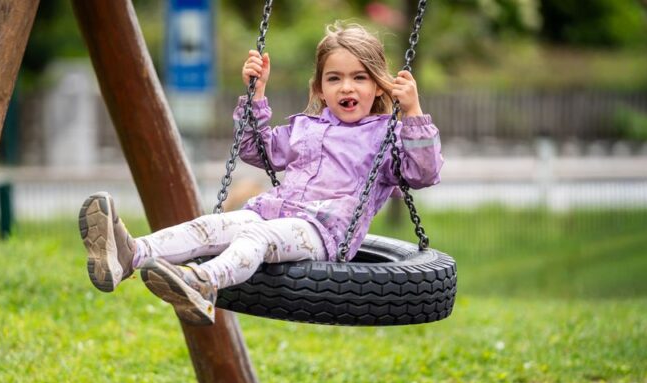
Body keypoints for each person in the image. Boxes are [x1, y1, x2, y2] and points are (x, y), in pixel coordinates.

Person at [79, 22, 443, 325]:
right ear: (320, 88)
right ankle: (130, 255)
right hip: (273, 213)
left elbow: (422, 174)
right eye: (334, 78)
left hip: (321, 234)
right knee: (210, 226)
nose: (346, 87)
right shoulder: (306, 128)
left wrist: (412, 111)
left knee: (256, 236)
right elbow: (256, 149)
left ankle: (204, 283)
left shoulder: (385, 135)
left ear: (379, 85)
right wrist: (257, 93)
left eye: (359, 77)